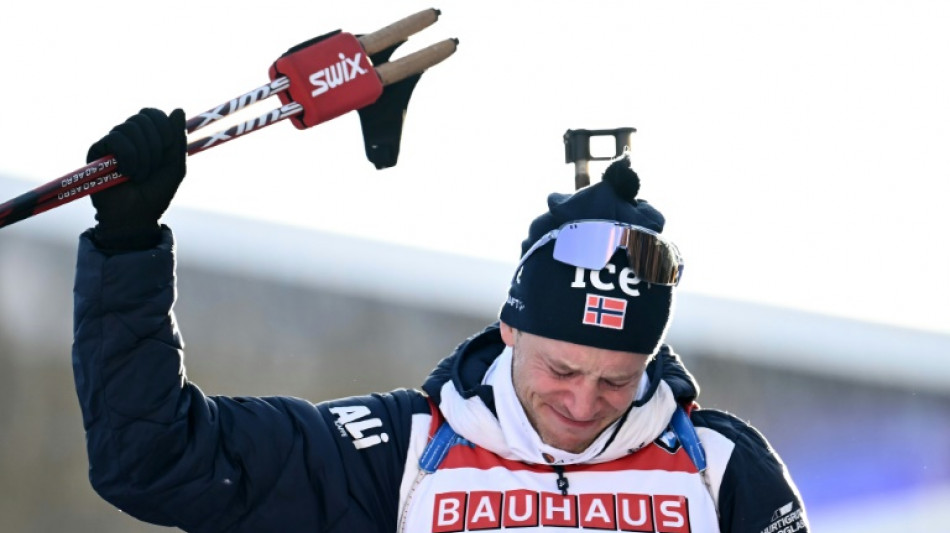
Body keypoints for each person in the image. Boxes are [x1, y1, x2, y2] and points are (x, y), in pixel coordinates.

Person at [72, 108, 810, 533]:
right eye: (561, 369)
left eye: (617, 380)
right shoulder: (396, 450)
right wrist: (128, 247)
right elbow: (156, 461)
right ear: (512, 326)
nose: (583, 404)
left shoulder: (717, 465)